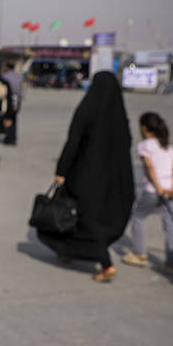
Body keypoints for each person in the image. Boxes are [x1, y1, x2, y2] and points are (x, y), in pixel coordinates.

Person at [37, 71, 135, 281]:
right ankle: (68, 252)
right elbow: (125, 146)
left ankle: (105, 264)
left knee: (83, 218)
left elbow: (73, 142)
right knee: (94, 218)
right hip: (113, 180)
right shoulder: (120, 116)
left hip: (85, 175)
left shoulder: (87, 108)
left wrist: (61, 171)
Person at [122, 112, 173, 272]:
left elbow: (150, 168)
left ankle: (140, 253)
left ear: (144, 128)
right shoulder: (167, 146)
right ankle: (172, 261)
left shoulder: (144, 146)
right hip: (171, 191)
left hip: (154, 190)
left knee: (138, 217)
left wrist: (158, 187)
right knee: (170, 224)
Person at [1, 60, 24, 146]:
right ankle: (14, 137)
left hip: (8, 100)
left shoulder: (4, 76)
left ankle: (8, 138)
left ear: (7, 67)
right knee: (14, 119)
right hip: (17, 100)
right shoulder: (19, 77)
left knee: (7, 118)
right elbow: (21, 91)